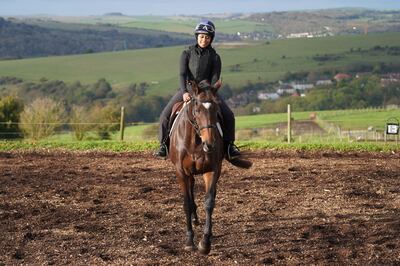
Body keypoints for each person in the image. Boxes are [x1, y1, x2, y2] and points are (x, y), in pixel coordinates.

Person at [155, 19, 241, 160]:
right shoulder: (186, 54)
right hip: (188, 89)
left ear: (211, 39)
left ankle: (229, 146)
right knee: (164, 115)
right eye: (201, 36)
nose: (204, 39)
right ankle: (163, 145)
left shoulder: (215, 57)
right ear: (197, 37)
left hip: (208, 92)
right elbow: (182, 74)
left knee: (229, 115)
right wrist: (184, 92)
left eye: (207, 37)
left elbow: (215, 79)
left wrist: (209, 94)